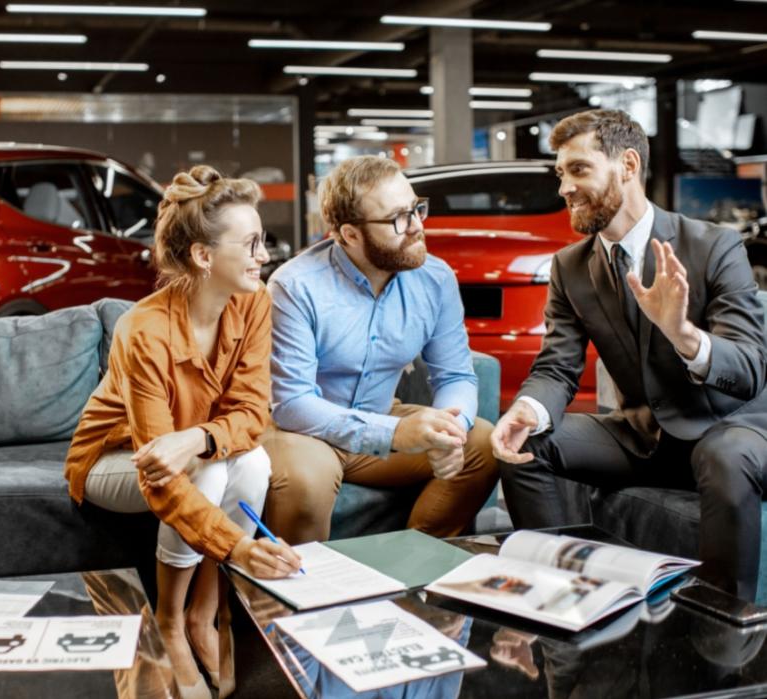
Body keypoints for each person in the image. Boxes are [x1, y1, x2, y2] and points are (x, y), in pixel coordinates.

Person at [492, 109, 767, 601]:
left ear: (628, 165)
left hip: (731, 429)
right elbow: (558, 365)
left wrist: (684, 334)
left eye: (578, 170)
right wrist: (527, 409)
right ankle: (565, 593)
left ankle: (728, 630)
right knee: (525, 443)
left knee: (725, 456)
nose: (564, 189)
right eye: (560, 174)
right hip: (642, 435)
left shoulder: (714, 246)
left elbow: (748, 369)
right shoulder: (569, 266)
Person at [64, 165, 301, 698]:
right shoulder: (143, 331)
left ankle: (206, 613)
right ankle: (171, 620)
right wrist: (238, 549)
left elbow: (250, 415)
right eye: (252, 245)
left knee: (253, 462)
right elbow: (159, 478)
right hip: (112, 461)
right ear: (203, 256)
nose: (265, 256)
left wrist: (196, 437)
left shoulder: (253, 302)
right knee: (204, 472)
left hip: (188, 449)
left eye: (262, 242)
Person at [264, 155, 499, 544]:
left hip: (379, 414)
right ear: (350, 235)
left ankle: (409, 572)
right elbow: (292, 403)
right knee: (307, 478)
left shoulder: (435, 279)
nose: (418, 227)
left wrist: (450, 431)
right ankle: (302, 599)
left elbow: (455, 374)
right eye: (398, 218)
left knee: (481, 445)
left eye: (416, 209)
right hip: (303, 431)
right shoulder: (295, 286)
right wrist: (394, 433)